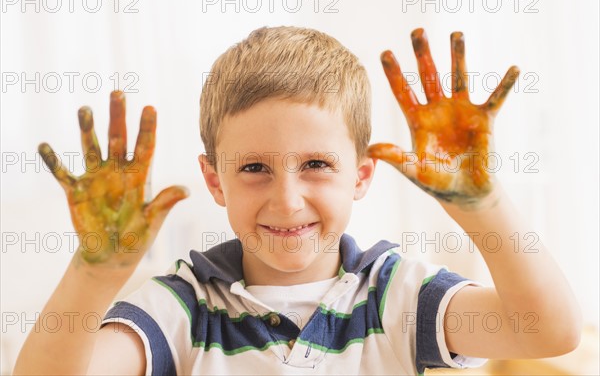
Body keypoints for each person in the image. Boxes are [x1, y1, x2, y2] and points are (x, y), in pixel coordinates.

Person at [14, 26, 581, 375]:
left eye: (315, 165)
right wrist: (93, 274)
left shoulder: (398, 293)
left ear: (360, 175)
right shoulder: (182, 307)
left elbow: (548, 331)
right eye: (255, 169)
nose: (287, 202)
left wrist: (480, 204)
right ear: (215, 182)